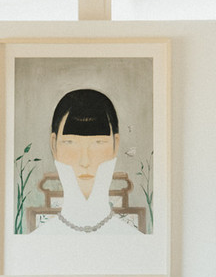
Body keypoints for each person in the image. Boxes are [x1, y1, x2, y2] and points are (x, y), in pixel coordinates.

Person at [33, 88, 139, 235]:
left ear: (116, 144)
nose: (85, 161)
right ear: (53, 145)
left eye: (98, 143)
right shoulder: (35, 243)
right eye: (70, 142)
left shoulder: (134, 240)